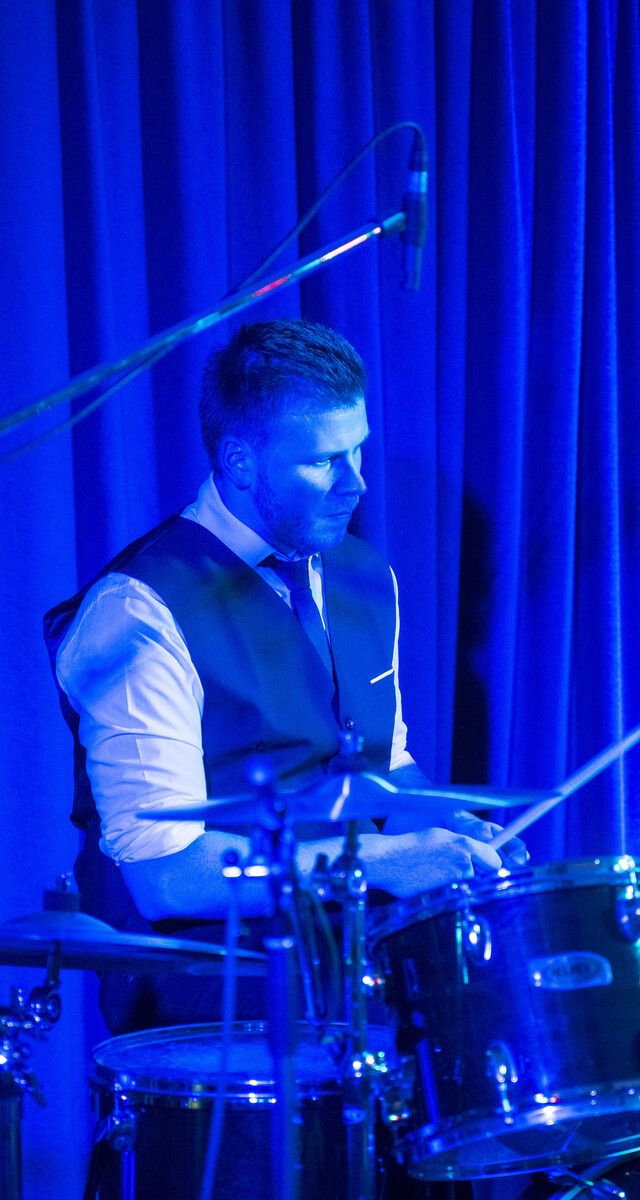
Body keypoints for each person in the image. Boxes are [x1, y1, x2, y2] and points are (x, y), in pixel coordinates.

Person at [45, 318, 520, 1034]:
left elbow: (383, 768)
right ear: (240, 462)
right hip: (214, 985)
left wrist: (446, 828)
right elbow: (168, 875)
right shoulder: (137, 609)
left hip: (351, 951)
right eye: (325, 461)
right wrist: (382, 862)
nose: (357, 483)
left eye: (358, 450)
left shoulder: (365, 574)